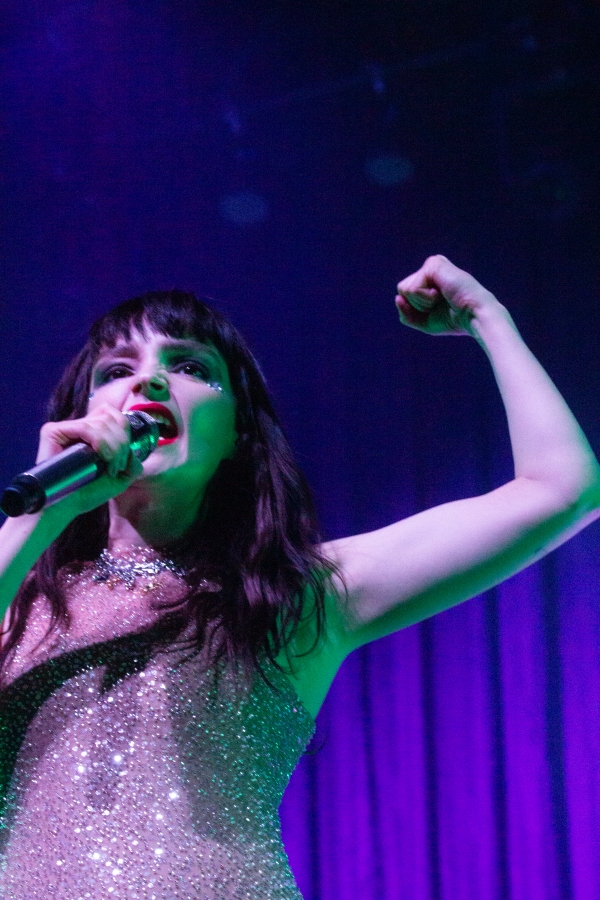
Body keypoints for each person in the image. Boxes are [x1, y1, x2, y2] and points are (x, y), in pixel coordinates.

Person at [0, 255, 598, 899]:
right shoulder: (20, 597)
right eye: (116, 371)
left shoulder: (298, 595)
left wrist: (488, 317)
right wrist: (41, 517)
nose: (147, 381)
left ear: (238, 433)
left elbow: (561, 490)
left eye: (190, 367)